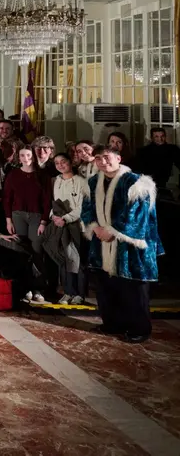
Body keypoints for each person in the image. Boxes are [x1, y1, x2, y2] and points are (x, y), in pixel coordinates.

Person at [81, 146, 162, 343]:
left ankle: (139, 329)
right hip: (102, 242)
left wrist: (112, 231)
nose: (103, 162)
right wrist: (95, 228)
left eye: (107, 157)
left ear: (118, 158)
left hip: (130, 246)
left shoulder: (136, 183)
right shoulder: (92, 182)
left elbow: (138, 215)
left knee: (133, 289)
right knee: (107, 286)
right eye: (98, 159)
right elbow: (87, 209)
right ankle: (112, 323)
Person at [2, 147, 51, 304]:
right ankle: (25, 287)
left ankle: (38, 288)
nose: (25, 158)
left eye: (28, 155)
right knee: (22, 251)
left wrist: (43, 221)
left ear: (33, 156)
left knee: (36, 250)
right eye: (22, 155)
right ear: (19, 157)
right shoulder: (13, 174)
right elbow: (7, 198)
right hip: (18, 215)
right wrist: (8, 220)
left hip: (36, 216)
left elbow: (46, 200)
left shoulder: (42, 175)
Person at [43, 153, 88, 306]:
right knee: (65, 259)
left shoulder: (82, 182)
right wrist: (53, 217)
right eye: (57, 163)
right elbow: (52, 202)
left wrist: (66, 218)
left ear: (70, 162)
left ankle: (79, 293)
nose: (60, 165)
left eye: (63, 161)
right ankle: (67, 291)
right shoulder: (55, 181)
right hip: (59, 225)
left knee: (77, 259)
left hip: (76, 225)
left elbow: (82, 207)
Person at [134, 127, 180, 198]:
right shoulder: (143, 151)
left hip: (164, 184)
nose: (160, 139)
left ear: (165, 137)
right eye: (156, 137)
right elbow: (138, 170)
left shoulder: (172, 149)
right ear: (152, 138)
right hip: (147, 185)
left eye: (162, 136)